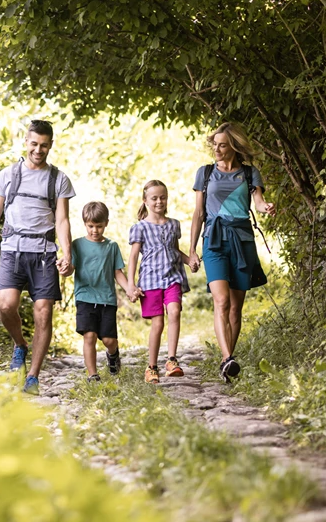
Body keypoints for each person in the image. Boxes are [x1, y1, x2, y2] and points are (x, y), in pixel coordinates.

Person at [0, 119, 75, 394]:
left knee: (43, 312)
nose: (38, 150)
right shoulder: (8, 175)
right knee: (6, 306)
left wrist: (67, 254)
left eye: (44, 145)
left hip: (44, 255)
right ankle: (20, 344)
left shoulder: (59, 179)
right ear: (26, 141)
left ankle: (32, 376)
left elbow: (62, 220)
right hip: (12, 251)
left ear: (51, 145)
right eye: (34, 144)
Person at [187, 122, 276, 382]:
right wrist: (192, 250)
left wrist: (266, 206)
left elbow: (258, 202)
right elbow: (198, 214)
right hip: (214, 242)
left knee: (236, 308)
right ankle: (227, 358)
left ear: (234, 146)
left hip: (242, 241)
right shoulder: (204, 174)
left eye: (222, 144)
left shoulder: (249, 174)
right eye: (214, 143)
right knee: (222, 301)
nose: (216, 148)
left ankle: (228, 362)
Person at [127, 180, 193, 384]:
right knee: (158, 323)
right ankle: (151, 367)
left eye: (162, 197)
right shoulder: (140, 227)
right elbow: (133, 257)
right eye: (154, 198)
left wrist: (189, 260)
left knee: (174, 312)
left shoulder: (174, 224)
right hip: (150, 281)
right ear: (145, 200)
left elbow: (174, 250)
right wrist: (131, 284)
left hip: (173, 277)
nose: (159, 201)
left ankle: (172, 360)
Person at [70, 202, 132, 382]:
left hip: (107, 299)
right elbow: (71, 267)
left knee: (108, 340)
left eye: (99, 226)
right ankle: (93, 375)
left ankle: (113, 355)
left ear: (106, 223)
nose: (95, 230)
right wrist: (64, 267)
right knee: (89, 335)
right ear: (85, 224)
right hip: (85, 297)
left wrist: (129, 288)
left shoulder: (111, 246)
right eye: (91, 226)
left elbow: (117, 272)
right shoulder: (77, 245)